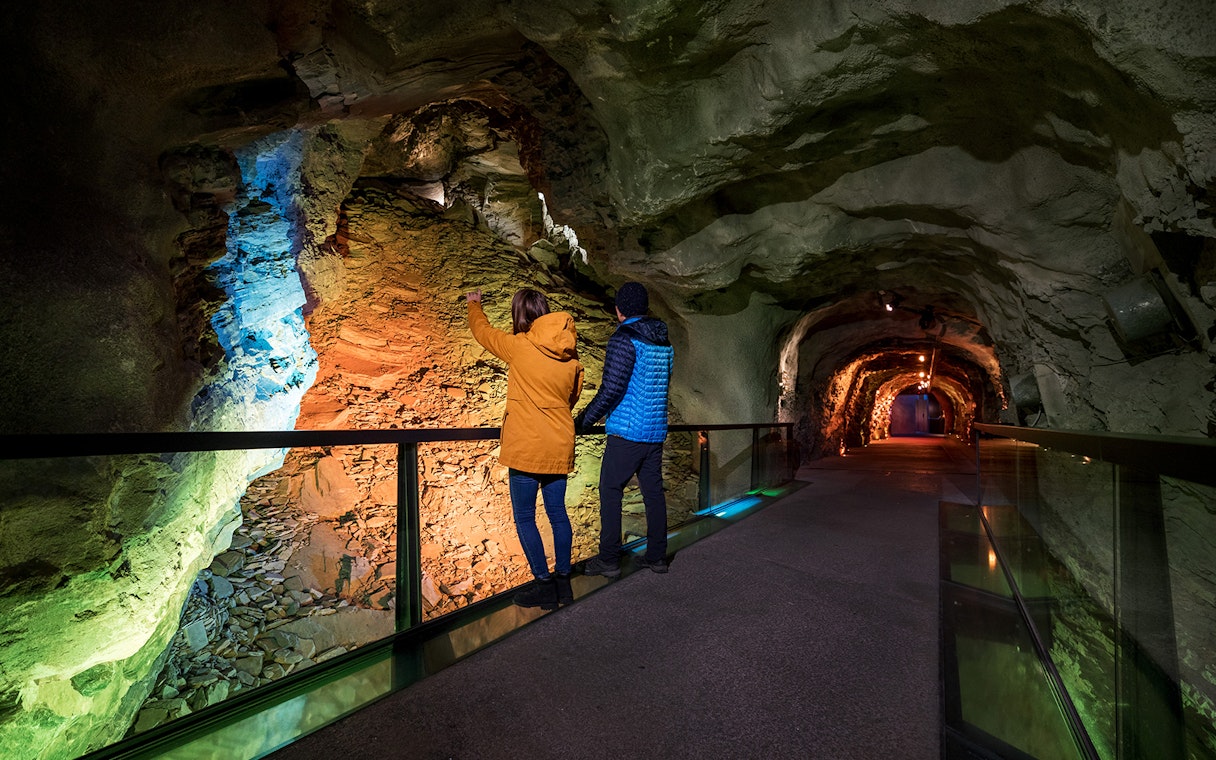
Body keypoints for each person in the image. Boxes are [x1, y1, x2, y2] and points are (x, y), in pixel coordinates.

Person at [468, 287, 584, 609]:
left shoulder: (519, 346)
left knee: (524, 517)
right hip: (558, 445)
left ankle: (544, 586)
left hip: (526, 448)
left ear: (519, 315)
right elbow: (571, 398)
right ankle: (564, 584)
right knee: (559, 515)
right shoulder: (571, 357)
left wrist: (475, 304)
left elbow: (483, 333)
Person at [574, 281, 674, 577]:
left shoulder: (624, 339)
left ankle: (608, 560)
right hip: (655, 431)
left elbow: (611, 389)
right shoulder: (663, 341)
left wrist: (583, 421)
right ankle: (657, 557)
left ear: (619, 310)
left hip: (628, 431)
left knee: (610, 489)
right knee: (653, 494)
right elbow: (664, 382)